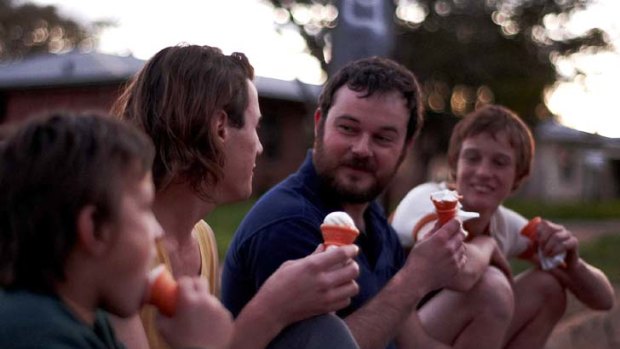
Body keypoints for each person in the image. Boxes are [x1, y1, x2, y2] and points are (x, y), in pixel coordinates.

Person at [222, 56, 516, 349]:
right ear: (319, 124)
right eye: (348, 129)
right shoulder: (290, 223)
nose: (362, 149)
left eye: (383, 138)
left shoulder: (374, 219)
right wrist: (416, 278)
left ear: (406, 147)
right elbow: (326, 343)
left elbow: (407, 339)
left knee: (503, 288)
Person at [112, 44, 361, 349]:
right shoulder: (118, 250)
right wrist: (273, 305)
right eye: (256, 127)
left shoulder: (201, 238)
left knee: (320, 329)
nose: (259, 147)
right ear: (220, 128)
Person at [0, 112, 233, 349]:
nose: (158, 233)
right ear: (95, 228)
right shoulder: (37, 337)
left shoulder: (89, 321)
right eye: (144, 208)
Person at [391, 104, 615, 348]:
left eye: (500, 162)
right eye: (472, 157)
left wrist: (573, 265)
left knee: (548, 287)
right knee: (492, 287)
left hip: (436, 330)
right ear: (455, 164)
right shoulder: (429, 200)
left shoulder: (504, 223)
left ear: (518, 177)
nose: (484, 172)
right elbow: (459, 274)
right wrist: (486, 244)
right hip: (396, 332)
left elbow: (603, 300)